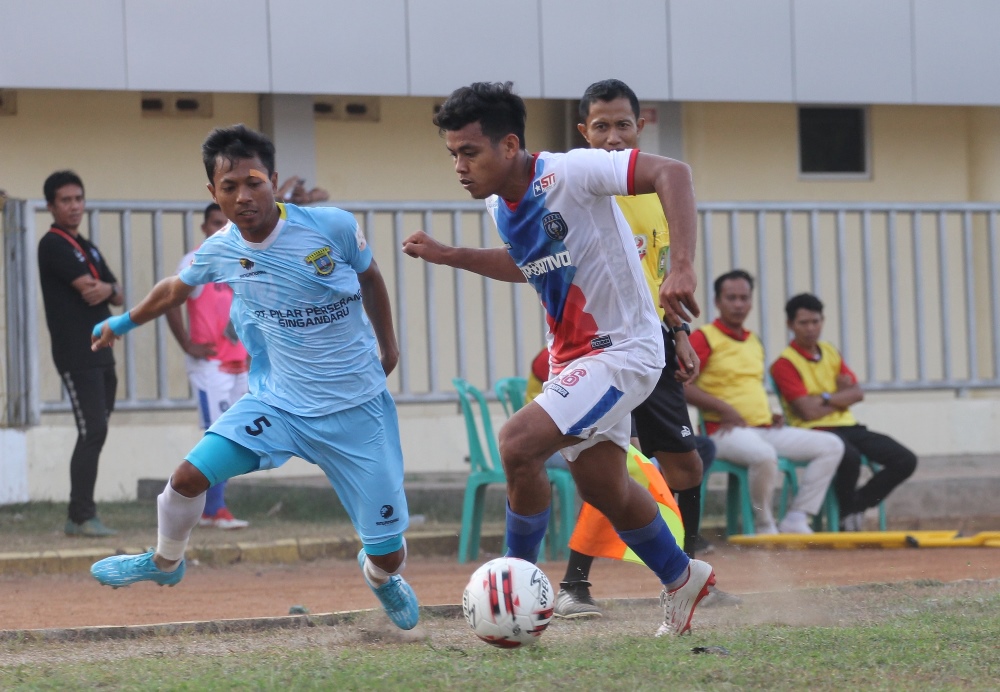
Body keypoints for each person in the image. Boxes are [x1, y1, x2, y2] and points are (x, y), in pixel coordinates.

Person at [402, 81, 715, 637]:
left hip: (624, 351)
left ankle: (511, 592)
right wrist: (451, 255)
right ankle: (681, 576)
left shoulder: (571, 171)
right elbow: (526, 264)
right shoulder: (502, 204)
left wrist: (683, 266)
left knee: (518, 444)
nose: (459, 166)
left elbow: (675, 173)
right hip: (575, 361)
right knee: (605, 488)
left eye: (468, 152)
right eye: (453, 154)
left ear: (509, 145)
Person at [89, 124, 420, 631]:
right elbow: (175, 289)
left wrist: (389, 346)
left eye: (254, 182)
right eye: (229, 187)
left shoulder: (330, 227)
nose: (244, 197)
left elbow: (371, 277)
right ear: (213, 193)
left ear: (274, 180)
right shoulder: (221, 249)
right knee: (185, 479)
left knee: (390, 554)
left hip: (357, 410)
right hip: (277, 405)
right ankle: (164, 562)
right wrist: (120, 322)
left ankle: (379, 578)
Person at [549, 79, 734, 619]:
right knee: (608, 470)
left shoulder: (652, 196)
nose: (611, 137)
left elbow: (658, 275)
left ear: (639, 127)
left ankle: (689, 574)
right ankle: (573, 586)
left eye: (622, 125)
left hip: (650, 345)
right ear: (583, 132)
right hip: (598, 350)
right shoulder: (576, 191)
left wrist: (678, 335)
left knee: (686, 464)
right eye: (600, 126)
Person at [685, 270, 844, 534]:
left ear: (751, 302)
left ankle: (796, 516)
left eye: (744, 298)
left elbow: (749, 386)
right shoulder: (704, 338)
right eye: (731, 298)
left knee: (831, 446)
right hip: (723, 432)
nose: (738, 304)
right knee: (764, 456)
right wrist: (723, 408)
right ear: (717, 301)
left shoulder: (754, 340)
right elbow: (680, 386)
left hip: (764, 428)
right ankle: (764, 524)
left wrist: (771, 412)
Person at [770, 293, 917, 530]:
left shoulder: (830, 351)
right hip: (815, 431)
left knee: (905, 460)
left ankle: (854, 507)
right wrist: (839, 397)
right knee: (850, 456)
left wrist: (825, 398)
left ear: (823, 321)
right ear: (790, 325)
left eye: (815, 322)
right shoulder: (784, 364)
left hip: (849, 426)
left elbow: (857, 393)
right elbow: (807, 412)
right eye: (803, 323)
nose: (811, 328)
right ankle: (846, 515)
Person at [38, 170, 125, 537]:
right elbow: (90, 289)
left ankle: (81, 513)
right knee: (93, 429)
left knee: (96, 431)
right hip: (77, 353)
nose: (74, 207)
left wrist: (107, 288)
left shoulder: (85, 245)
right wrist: (106, 288)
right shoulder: (53, 244)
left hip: (101, 351)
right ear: (51, 206)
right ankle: (80, 516)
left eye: (78, 199)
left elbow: (116, 292)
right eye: (66, 200)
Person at [164, 202, 250, 530]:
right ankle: (212, 508)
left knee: (237, 435)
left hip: (239, 363)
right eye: (216, 223)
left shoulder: (244, 261)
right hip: (209, 365)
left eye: (227, 223)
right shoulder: (195, 261)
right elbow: (170, 300)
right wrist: (187, 343)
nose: (222, 229)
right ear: (205, 228)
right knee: (219, 434)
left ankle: (208, 507)